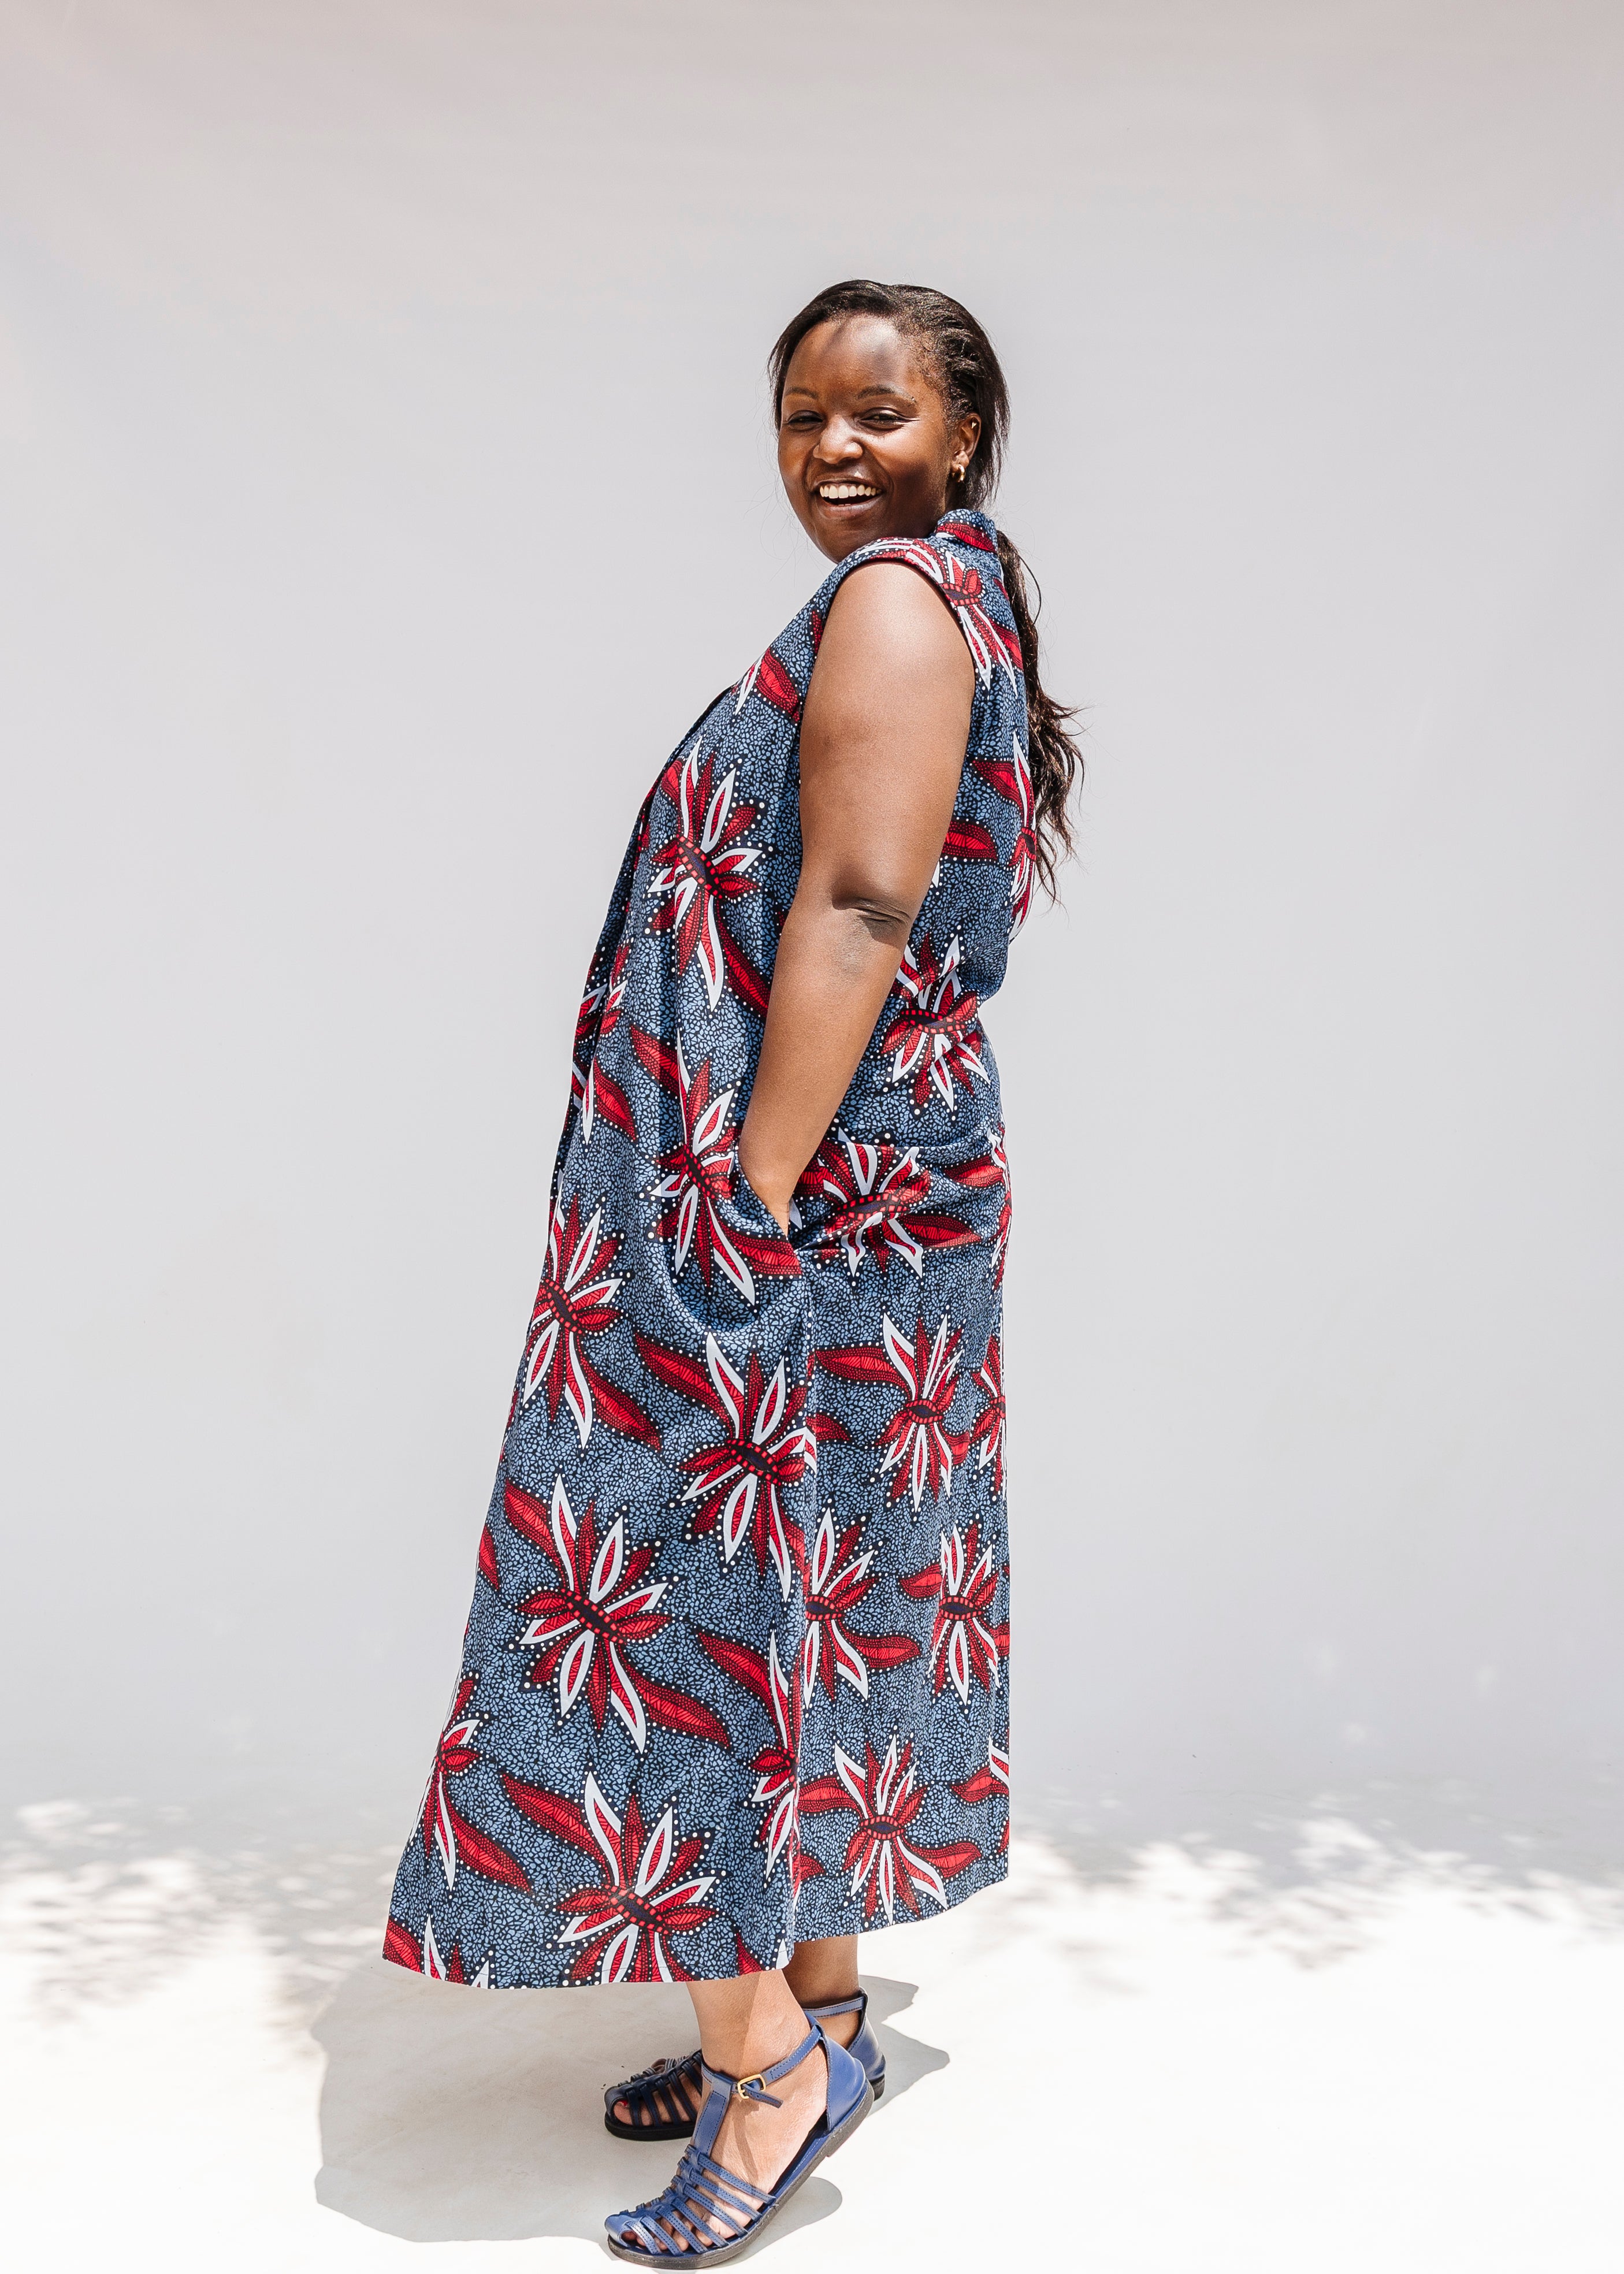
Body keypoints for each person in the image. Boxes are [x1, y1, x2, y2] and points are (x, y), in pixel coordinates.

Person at [381, 278, 1080, 2261]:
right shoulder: (949, 600)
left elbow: (855, 903)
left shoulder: (894, 607)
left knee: (675, 1593)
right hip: (880, 1194)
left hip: (800, 1193)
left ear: (961, 431)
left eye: (875, 412)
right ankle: (824, 2004)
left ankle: (764, 2063)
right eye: (800, 417)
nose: (831, 448)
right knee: (817, 1584)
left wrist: (744, 1187)